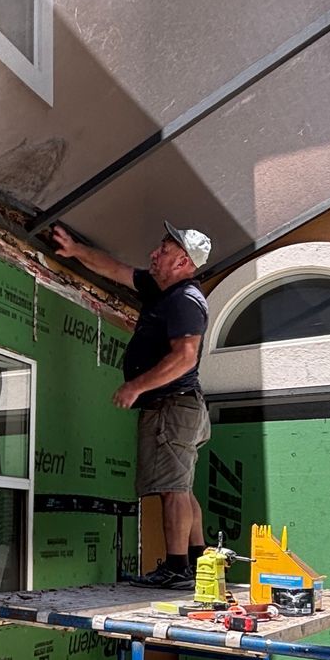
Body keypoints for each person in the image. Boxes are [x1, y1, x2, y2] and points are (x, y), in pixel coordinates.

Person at [49, 220, 213, 589]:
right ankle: (201, 563)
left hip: (173, 405)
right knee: (181, 485)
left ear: (183, 262)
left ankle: (176, 568)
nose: (155, 254)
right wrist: (75, 250)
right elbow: (116, 269)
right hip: (182, 406)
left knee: (172, 487)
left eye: (165, 251)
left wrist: (136, 386)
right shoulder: (161, 289)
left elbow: (186, 357)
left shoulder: (186, 300)